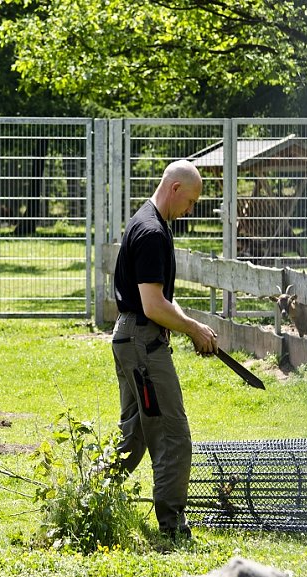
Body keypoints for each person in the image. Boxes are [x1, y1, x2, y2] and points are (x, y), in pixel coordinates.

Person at [111, 159, 218, 541]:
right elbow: (154, 305)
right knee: (173, 435)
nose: (189, 211)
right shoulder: (153, 232)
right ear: (174, 189)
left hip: (129, 338)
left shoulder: (144, 219)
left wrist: (190, 324)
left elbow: (159, 300)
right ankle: (173, 527)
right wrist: (192, 328)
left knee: (134, 435)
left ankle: (91, 496)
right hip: (143, 346)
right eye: (190, 202)